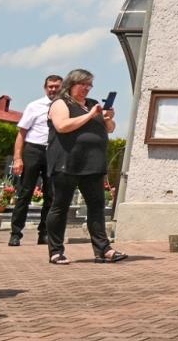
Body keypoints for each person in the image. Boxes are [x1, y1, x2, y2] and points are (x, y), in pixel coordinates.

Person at [43, 69, 123, 265]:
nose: (87, 89)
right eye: (83, 84)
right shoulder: (61, 103)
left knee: (96, 207)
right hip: (67, 162)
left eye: (90, 85)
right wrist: (90, 116)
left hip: (93, 163)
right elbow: (62, 126)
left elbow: (110, 129)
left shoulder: (92, 104)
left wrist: (107, 117)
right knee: (60, 206)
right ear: (72, 84)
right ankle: (56, 251)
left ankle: (103, 249)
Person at [9, 75, 61, 246]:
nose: (53, 89)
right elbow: (21, 132)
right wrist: (18, 158)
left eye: (56, 86)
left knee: (51, 196)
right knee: (25, 193)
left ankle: (44, 233)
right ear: (45, 88)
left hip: (53, 153)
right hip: (33, 150)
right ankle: (16, 233)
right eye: (50, 86)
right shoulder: (34, 106)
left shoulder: (64, 107)